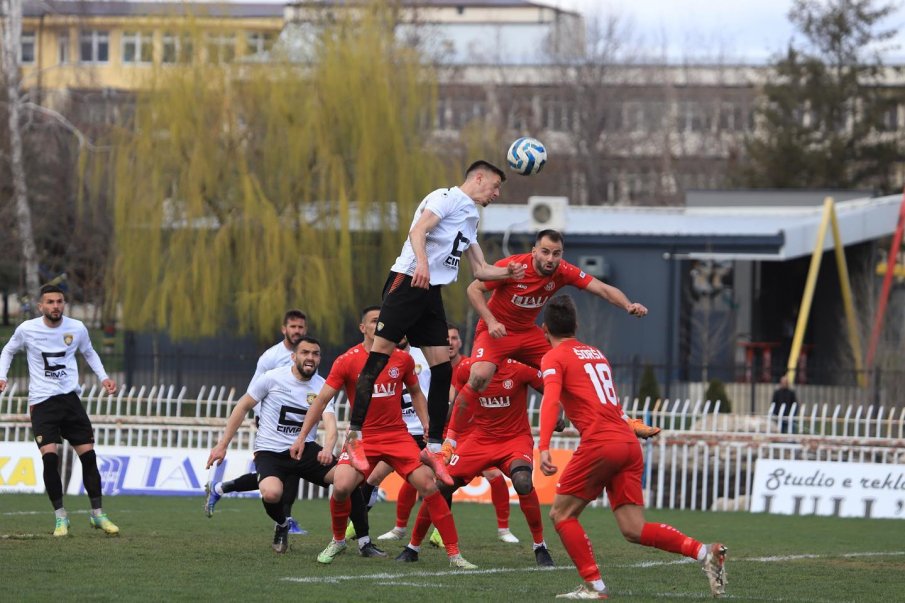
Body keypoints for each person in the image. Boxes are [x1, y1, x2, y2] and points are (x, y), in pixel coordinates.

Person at [344, 160, 526, 483]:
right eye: (495, 186)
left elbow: (481, 269)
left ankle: (433, 446)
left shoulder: (470, 215)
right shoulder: (446, 197)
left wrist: (507, 272)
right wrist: (423, 265)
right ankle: (354, 438)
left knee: (443, 370)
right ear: (479, 178)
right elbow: (418, 231)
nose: (497, 193)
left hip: (431, 292)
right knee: (377, 362)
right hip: (408, 282)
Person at [537, 295, 727, 599]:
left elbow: (550, 400)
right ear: (577, 325)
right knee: (633, 528)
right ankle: (703, 552)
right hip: (627, 442)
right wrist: (632, 423)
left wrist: (543, 445)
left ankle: (594, 587)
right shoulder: (596, 354)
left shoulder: (554, 357)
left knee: (561, 514)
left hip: (601, 443)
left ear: (544, 329)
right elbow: (605, 402)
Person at [291, 306, 477, 569]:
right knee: (342, 486)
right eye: (374, 321)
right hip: (363, 438)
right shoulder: (347, 360)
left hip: (397, 437)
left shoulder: (402, 359)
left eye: (384, 321)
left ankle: (454, 554)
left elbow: (416, 392)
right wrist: (301, 438)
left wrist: (426, 425)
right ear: (363, 328)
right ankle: (338, 540)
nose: (380, 325)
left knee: (430, 487)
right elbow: (321, 400)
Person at [451, 229, 657, 453]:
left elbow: (601, 288)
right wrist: (491, 321)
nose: (550, 259)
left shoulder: (562, 271)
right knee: (480, 376)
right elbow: (473, 289)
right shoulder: (514, 267)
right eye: (545, 252)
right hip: (496, 332)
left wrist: (628, 305)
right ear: (534, 251)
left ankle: (625, 419)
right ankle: (450, 442)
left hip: (528, 334)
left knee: (573, 369)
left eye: (556, 254)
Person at [205, 336, 377, 555]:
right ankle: (282, 524)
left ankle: (364, 541)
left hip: (305, 449)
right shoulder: (272, 378)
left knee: (347, 479)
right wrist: (222, 444)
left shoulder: (323, 386)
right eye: (305, 353)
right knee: (271, 493)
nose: (310, 358)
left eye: (315, 354)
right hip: (270, 452)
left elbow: (330, 423)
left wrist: (327, 448)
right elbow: (242, 407)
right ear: (293, 357)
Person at [396, 355, 556, 567]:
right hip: (479, 439)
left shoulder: (520, 368)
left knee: (523, 482)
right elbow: (458, 403)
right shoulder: (465, 369)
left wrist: (557, 416)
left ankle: (540, 546)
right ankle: (413, 547)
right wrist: (446, 433)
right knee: (440, 486)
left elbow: (552, 391)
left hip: (514, 439)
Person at [0, 284, 119, 536]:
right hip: (43, 403)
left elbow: (90, 352)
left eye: (59, 301)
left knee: (89, 457)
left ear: (64, 304)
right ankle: (60, 518)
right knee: (50, 458)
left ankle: (98, 515)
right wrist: (2, 376)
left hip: (70, 401)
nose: (55, 306)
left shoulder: (76, 328)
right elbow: (8, 350)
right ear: (40, 306)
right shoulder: (27, 329)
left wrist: (104, 378)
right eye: (50, 302)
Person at [204, 309, 309, 535]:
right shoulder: (270, 357)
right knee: (284, 470)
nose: (297, 331)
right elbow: (254, 391)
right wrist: (260, 418)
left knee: (286, 471)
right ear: (284, 329)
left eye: (301, 327)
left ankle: (222, 487)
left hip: (297, 421)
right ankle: (286, 519)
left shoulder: (307, 354)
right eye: (293, 326)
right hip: (271, 424)